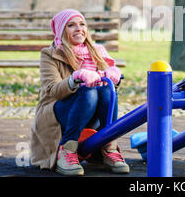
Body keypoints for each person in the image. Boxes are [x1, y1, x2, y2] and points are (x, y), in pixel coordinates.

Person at [30, 9, 129, 176]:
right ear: (62, 31)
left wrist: (114, 77)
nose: (79, 28)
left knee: (106, 90)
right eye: (71, 25)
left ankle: (109, 147)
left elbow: (108, 87)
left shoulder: (96, 51)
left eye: (82, 24)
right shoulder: (50, 54)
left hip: (91, 113)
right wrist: (75, 78)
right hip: (60, 110)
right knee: (88, 92)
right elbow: (53, 91)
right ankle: (67, 151)